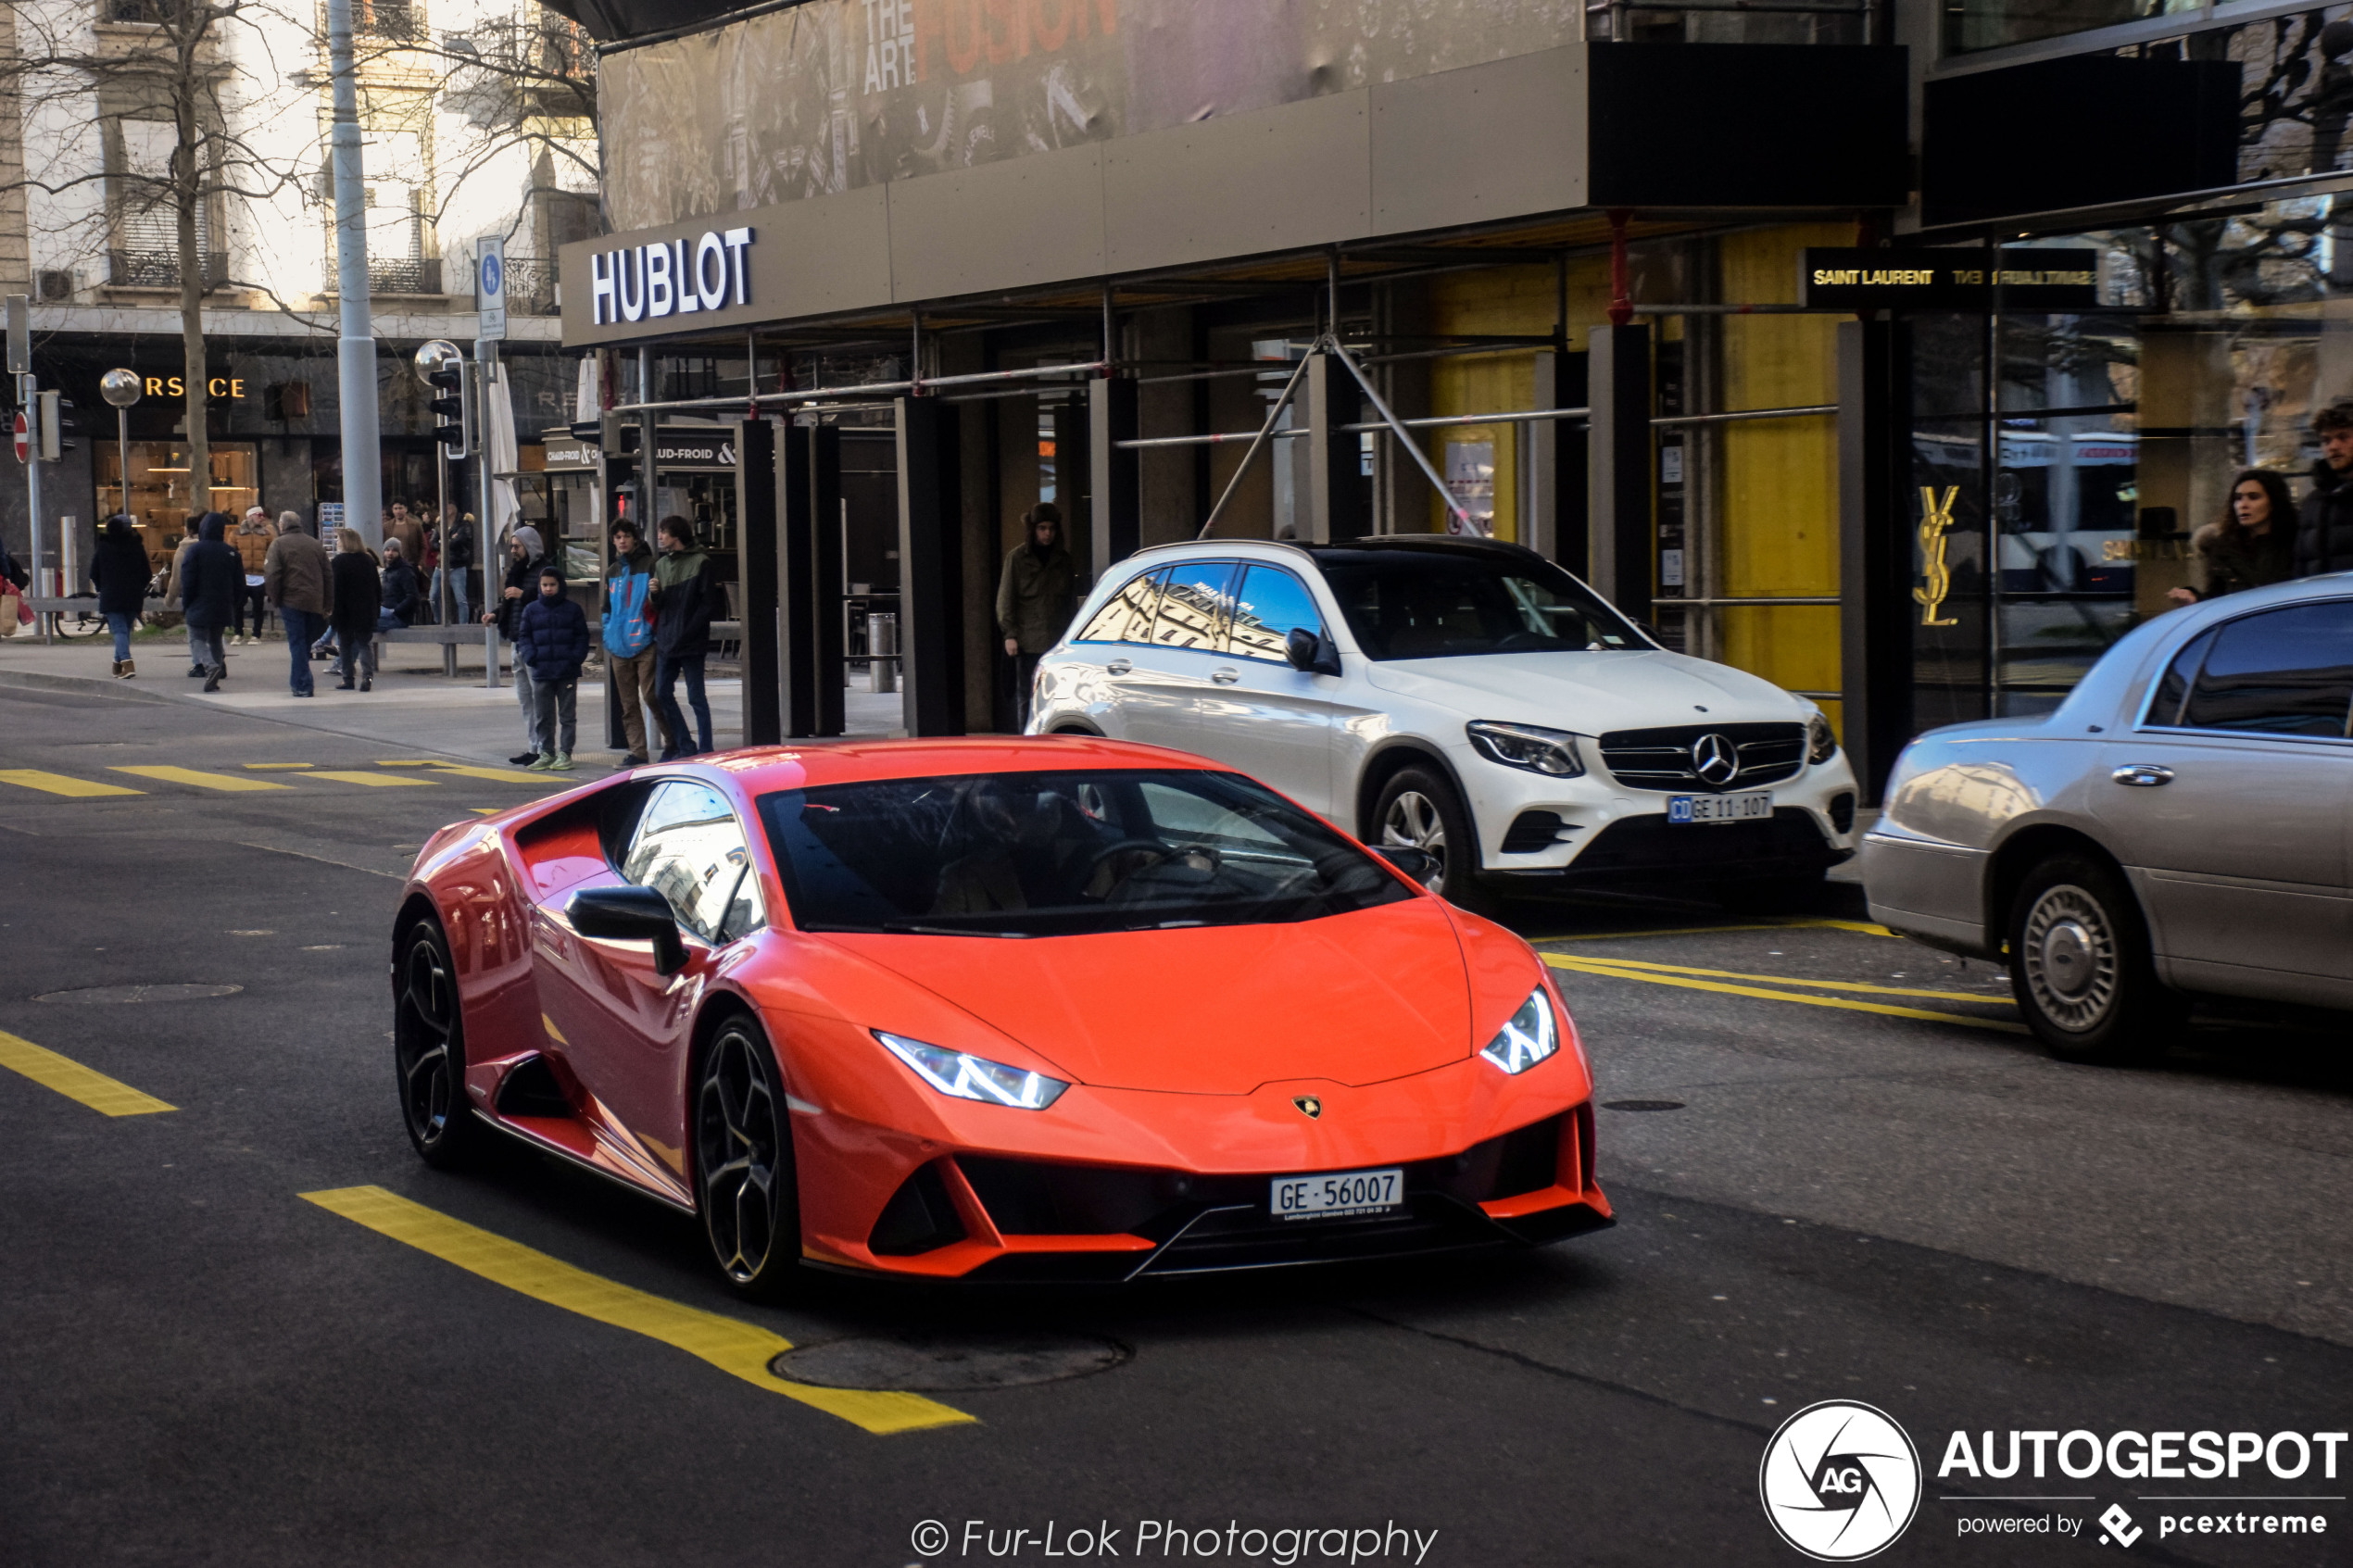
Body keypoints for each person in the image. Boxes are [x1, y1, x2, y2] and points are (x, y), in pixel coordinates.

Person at [995, 501, 1076, 728]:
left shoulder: (1063, 560)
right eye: (1042, 528)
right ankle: (1026, 738)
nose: (1047, 533)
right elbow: (1006, 598)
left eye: (1051, 528)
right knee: (1026, 696)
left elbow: (1069, 603)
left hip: (1056, 641)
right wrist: (1010, 634)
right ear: (1033, 529)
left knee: (1056, 695)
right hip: (1027, 641)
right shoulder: (1017, 558)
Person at [650, 515, 724, 759]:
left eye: (663, 532)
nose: (659, 536)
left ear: (677, 534)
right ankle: (685, 744)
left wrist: (688, 631)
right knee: (661, 692)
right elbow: (661, 606)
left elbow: (707, 605)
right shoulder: (661, 564)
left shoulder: (701, 562)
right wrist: (655, 595)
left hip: (690, 640)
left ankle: (705, 747)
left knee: (696, 697)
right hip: (667, 639)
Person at [2168, 469, 2296, 607]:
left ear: (2274, 501)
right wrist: (2193, 598)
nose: (2243, 505)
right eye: (2238, 498)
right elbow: (2217, 600)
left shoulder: (2296, 542)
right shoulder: (2223, 547)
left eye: (2254, 497)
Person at [602, 518, 671, 764]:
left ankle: (672, 741)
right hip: (618, 645)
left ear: (635, 538)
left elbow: (659, 601)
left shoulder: (650, 565)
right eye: (618, 537)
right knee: (628, 703)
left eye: (626, 536)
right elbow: (606, 607)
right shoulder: (612, 571)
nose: (622, 541)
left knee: (653, 696)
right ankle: (638, 751)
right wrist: (608, 632)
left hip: (645, 642)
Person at [483, 525, 553, 765]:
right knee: (526, 699)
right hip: (517, 640)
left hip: (535, 642)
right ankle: (534, 746)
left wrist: (523, 594)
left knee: (539, 697)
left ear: (529, 546)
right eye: (512, 546)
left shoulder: (544, 570)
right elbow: (510, 603)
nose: (513, 550)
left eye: (517, 546)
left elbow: (551, 598)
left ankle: (546, 747)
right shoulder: (516, 571)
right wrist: (495, 614)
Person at [518, 566, 589, 771]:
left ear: (560, 585)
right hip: (541, 671)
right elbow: (525, 636)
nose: (548, 589)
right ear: (539, 587)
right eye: (545, 585)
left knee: (567, 715)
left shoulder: (573, 609)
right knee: (543, 715)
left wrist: (575, 659)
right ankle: (546, 752)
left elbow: (581, 637)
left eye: (552, 585)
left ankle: (565, 752)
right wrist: (531, 657)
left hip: (566, 671)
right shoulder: (531, 610)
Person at [263, 511, 332, 698]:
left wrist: (275, 598)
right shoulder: (315, 544)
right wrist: (327, 602)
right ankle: (301, 681)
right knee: (305, 643)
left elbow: (272, 574)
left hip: (291, 600)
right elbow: (328, 574)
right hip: (314, 601)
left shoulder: (278, 545)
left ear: (282, 525)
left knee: (297, 643)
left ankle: (302, 684)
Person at [175, 512, 240, 692]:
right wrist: (235, 604)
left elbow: (187, 580)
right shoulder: (231, 552)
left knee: (197, 638)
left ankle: (210, 666)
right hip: (223, 604)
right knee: (216, 640)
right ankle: (216, 672)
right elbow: (239, 583)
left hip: (199, 602)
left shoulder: (195, 551)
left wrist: (186, 603)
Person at [90, 512, 149, 678]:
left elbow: (93, 572)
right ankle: (117, 666)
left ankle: (128, 664)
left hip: (111, 594)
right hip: (133, 596)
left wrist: (102, 587)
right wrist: (139, 588)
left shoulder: (104, 547)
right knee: (124, 630)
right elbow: (147, 573)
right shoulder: (137, 547)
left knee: (119, 630)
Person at [330, 527, 383, 692]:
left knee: (345, 645)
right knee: (364, 644)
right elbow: (377, 588)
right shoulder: (368, 561)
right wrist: (376, 609)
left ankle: (348, 678)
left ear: (345, 541)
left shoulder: (338, 562)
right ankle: (367, 676)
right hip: (365, 610)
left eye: (338, 539)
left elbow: (336, 590)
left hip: (345, 611)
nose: (337, 542)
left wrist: (333, 613)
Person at [230, 508, 275, 645]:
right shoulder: (236, 534)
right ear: (250, 516)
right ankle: (238, 633)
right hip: (242, 576)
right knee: (238, 606)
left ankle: (256, 634)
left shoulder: (267, 534)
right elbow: (231, 553)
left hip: (260, 576)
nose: (262, 518)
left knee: (258, 607)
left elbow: (272, 553)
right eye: (259, 515)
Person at [378, 535, 422, 632]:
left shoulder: (405, 571)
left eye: (394, 550)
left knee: (363, 626)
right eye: (388, 550)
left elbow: (413, 596)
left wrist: (394, 611)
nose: (390, 553)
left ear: (399, 553)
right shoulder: (387, 571)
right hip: (387, 613)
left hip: (399, 618)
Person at [442, 508, 476, 626]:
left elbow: (460, 540)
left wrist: (445, 541)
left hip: (457, 564)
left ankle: (463, 626)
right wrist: (450, 540)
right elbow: (434, 543)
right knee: (434, 596)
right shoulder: (439, 523)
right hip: (441, 565)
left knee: (460, 599)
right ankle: (440, 622)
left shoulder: (464, 523)